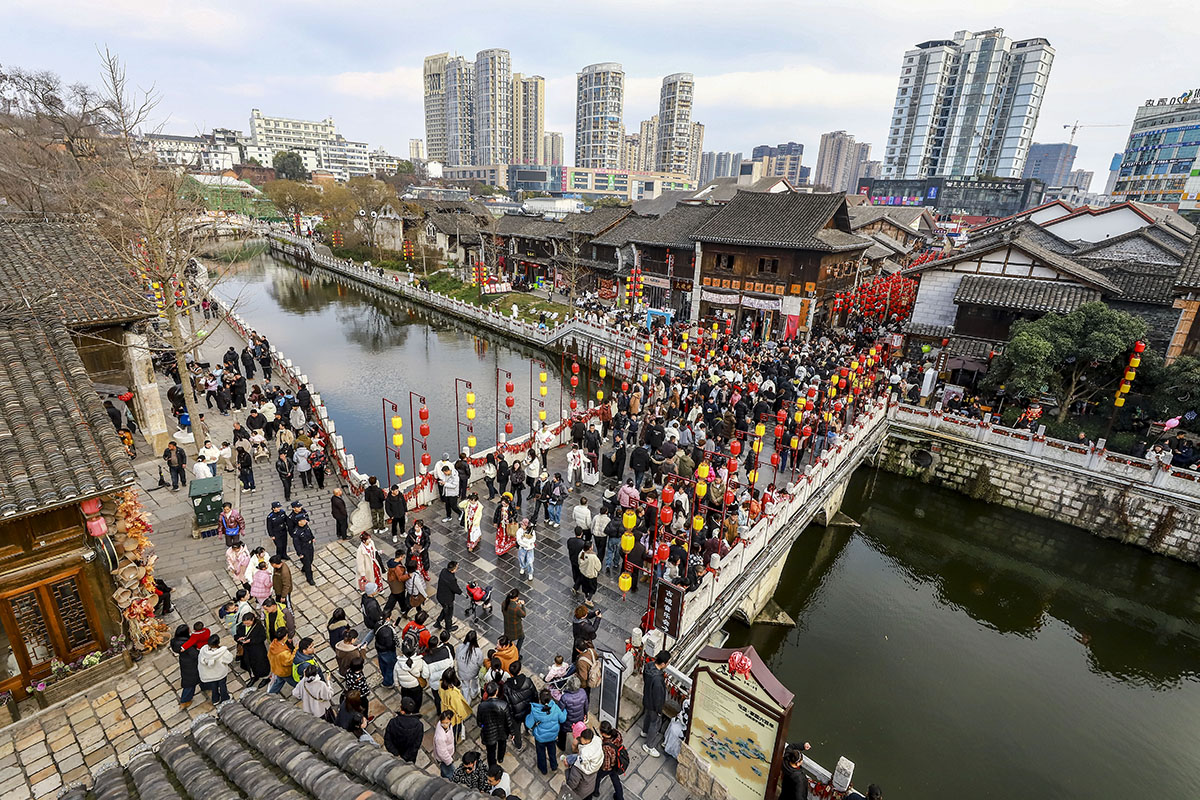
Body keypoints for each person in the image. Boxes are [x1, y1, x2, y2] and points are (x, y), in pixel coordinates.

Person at [528, 688, 567, 775]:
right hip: (552, 736)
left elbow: (528, 724)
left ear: (540, 700)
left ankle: (543, 769)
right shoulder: (555, 708)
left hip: (540, 738)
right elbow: (563, 719)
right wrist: (565, 711)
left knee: (541, 753)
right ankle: (554, 766)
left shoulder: (535, 711)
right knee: (552, 751)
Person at [641, 649, 671, 757]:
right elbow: (658, 698)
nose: (668, 664)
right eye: (667, 663)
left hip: (647, 698)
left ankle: (644, 731)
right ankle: (649, 745)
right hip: (654, 704)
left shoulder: (648, 666)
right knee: (655, 723)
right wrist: (659, 711)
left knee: (647, 716)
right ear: (663, 664)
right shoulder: (658, 680)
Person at [477, 681, 511, 771]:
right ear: (496, 691)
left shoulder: (482, 706)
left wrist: (484, 725)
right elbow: (508, 721)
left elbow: (479, 722)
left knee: (491, 751)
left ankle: (492, 765)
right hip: (502, 731)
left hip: (489, 732)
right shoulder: (503, 705)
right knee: (502, 745)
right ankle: (500, 757)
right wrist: (512, 732)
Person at [504, 660, 536, 753]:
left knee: (516, 730)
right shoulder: (527, 681)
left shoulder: (507, 686)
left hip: (515, 714)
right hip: (527, 709)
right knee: (527, 721)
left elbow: (507, 702)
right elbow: (534, 694)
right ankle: (528, 729)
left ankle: (518, 744)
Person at [563, 727, 603, 799]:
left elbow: (572, 784)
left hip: (580, 793)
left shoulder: (582, 759)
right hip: (590, 788)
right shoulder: (597, 740)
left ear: (585, 740)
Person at [171, 624, 203, 708]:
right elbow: (195, 655)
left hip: (185, 662)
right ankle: (185, 700)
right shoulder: (187, 645)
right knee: (190, 684)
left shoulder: (175, 641)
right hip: (192, 665)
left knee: (190, 681)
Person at [383, 697, 424, 763]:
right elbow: (416, 744)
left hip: (395, 755)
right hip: (410, 756)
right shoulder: (419, 725)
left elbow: (387, 739)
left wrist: (395, 753)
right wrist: (405, 756)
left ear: (402, 710)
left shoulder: (393, 722)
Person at [235, 612, 269, 687]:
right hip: (246, 651)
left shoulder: (258, 626)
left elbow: (263, 637)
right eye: (245, 623)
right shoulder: (241, 627)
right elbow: (236, 636)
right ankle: (254, 677)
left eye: (248, 623)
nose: (246, 625)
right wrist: (239, 639)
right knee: (249, 664)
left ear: (253, 620)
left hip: (257, 650)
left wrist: (251, 640)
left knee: (261, 665)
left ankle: (265, 678)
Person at [439, 668, 473, 742]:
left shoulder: (441, 684)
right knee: (455, 731)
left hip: (444, 708)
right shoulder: (453, 693)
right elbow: (458, 708)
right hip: (452, 715)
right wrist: (462, 716)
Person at [595, 721, 627, 800]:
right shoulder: (617, 734)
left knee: (597, 777)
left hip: (610, 766)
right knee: (616, 781)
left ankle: (595, 792)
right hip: (617, 762)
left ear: (603, 733)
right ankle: (619, 797)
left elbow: (606, 764)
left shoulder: (606, 747)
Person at [395, 643, 430, 713]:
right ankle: (415, 712)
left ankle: (407, 711)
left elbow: (395, 676)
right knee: (417, 700)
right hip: (416, 686)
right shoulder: (420, 661)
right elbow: (426, 674)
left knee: (406, 700)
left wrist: (397, 684)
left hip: (404, 687)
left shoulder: (398, 664)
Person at [558, 676, 589, 753]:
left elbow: (560, 709)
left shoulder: (565, 697)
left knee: (562, 732)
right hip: (579, 719)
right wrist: (585, 714)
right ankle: (578, 746)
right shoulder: (583, 692)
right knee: (579, 733)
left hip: (568, 721)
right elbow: (586, 706)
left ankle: (561, 745)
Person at [455, 630, 485, 706]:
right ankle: (474, 693)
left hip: (462, 673)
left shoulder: (459, 647)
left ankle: (466, 700)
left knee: (465, 686)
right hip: (474, 672)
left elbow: (457, 658)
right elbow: (480, 663)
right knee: (475, 681)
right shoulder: (478, 651)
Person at [435, 560, 462, 635]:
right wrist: (460, 592)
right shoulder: (451, 579)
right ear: (452, 570)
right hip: (447, 599)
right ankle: (448, 627)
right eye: (456, 567)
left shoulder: (443, 571)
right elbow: (455, 588)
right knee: (449, 613)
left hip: (440, 596)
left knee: (445, 609)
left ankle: (438, 621)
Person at [267, 628, 296, 695]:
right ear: (284, 637)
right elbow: (290, 660)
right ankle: (302, 691)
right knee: (295, 683)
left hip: (277, 669)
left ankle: (271, 694)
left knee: (279, 682)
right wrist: (296, 649)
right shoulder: (283, 652)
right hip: (284, 672)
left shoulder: (273, 644)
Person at [433, 710, 457, 779]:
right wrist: (450, 761)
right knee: (449, 774)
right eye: (444, 723)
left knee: (445, 772)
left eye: (447, 722)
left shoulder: (448, 726)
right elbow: (442, 752)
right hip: (445, 759)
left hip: (448, 752)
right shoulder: (440, 737)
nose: (445, 725)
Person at [292, 517, 316, 586]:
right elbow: (296, 544)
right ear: (299, 522)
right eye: (303, 520)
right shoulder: (296, 532)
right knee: (308, 564)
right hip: (304, 549)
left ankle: (304, 568)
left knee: (311, 560)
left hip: (310, 546)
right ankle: (309, 578)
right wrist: (299, 553)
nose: (305, 521)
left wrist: (312, 537)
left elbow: (309, 532)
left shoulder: (306, 526)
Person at [360, 582, 383, 648]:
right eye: (375, 589)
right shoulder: (372, 605)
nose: (377, 590)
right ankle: (363, 644)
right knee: (374, 632)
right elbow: (376, 617)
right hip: (372, 623)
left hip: (367, 620)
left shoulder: (364, 597)